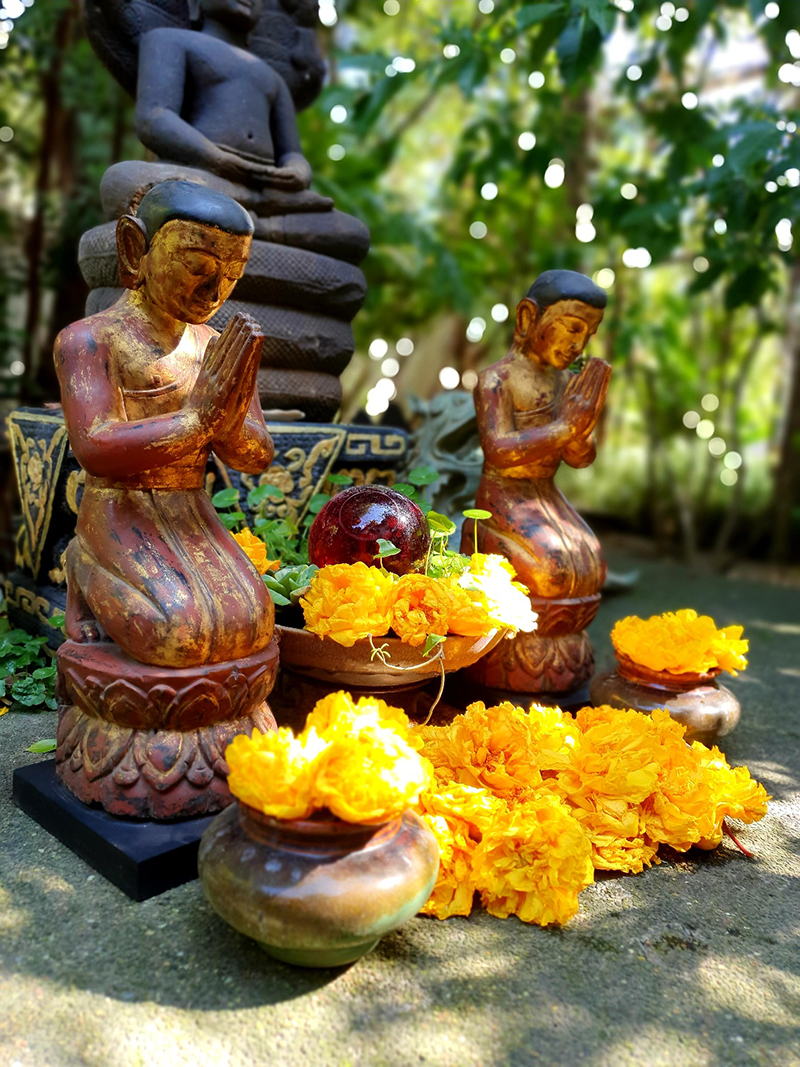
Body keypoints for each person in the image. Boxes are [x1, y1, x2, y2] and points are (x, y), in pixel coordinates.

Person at [55, 180, 275, 668]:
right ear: (136, 249)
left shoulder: (217, 347)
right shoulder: (90, 341)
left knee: (253, 621)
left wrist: (228, 417)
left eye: (232, 275)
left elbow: (256, 455)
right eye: (196, 267)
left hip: (189, 507)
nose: (214, 291)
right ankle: (84, 567)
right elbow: (95, 446)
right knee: (176, 632)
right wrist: (199, 420)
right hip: (120, 509)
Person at [463, 269, 611, 604]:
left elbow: (579, 458)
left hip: (547, 494)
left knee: (592, 563)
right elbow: (498, 450)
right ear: (529, 317)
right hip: (503, 496)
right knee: (553, 569)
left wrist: (582, 428)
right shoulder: (497, 380)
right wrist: (564, 429)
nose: (579, 344)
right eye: (573, 327)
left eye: (589, 334)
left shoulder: (564, 384)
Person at [135, 0, 312, 193]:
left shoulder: (273, 77)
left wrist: (298, 170)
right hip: (201, 176)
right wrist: (217, 159)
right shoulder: (169, 40)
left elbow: (291, 152)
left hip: (266, 187)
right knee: (124, 178)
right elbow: (154, 117)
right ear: (195, 3)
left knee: (342, 223)